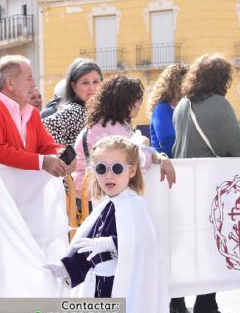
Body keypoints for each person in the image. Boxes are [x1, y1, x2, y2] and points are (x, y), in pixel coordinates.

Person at [45, 136, 170, 313]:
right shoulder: (106, 207)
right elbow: (87, 247)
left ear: (132, 171)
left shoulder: (134, 205)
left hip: (119, 293)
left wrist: (112, 244)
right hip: (98, 292)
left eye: (117, 168)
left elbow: (145, 247)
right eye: (101, 168)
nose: (109, 175)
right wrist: (66, 267)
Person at [172, 53, 240, 313]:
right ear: (222, 79)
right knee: (214, 247)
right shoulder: (218, 104)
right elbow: (238, 149)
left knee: (193, 248)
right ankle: (205, 310)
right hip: (211, 188)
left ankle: (197, 305)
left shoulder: (182, 105)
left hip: (184, 186)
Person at [73, 76, 176, 212]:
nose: (139, 104)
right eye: (137, 99)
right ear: (124, 101)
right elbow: (139, 164)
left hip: (93, 195)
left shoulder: (105, 123)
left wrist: (156, 154)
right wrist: (145, 143)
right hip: (95, 200)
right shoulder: (112, 127)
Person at [0, 54, 69, 177]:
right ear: (10, 83)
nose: (34, 84)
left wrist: (60, 155)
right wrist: (41, 162)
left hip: (26, 194)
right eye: (29, 78)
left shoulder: (32, 113)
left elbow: (46, 146)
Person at [147, 63, 191, 313]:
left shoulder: (181, 107)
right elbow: (166, 141)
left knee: (181, 243)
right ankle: (175, 302)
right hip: (166, 182)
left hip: (180, 180)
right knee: (171, 243)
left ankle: (179, 301)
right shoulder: (163, 109)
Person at [43, 58, 102, 147]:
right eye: (85, 83)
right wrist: (63, 154)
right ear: (73, 86)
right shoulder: (74, 110)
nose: (92, 88)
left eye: (95, 82)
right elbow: (46, 125)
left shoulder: (94, 111)